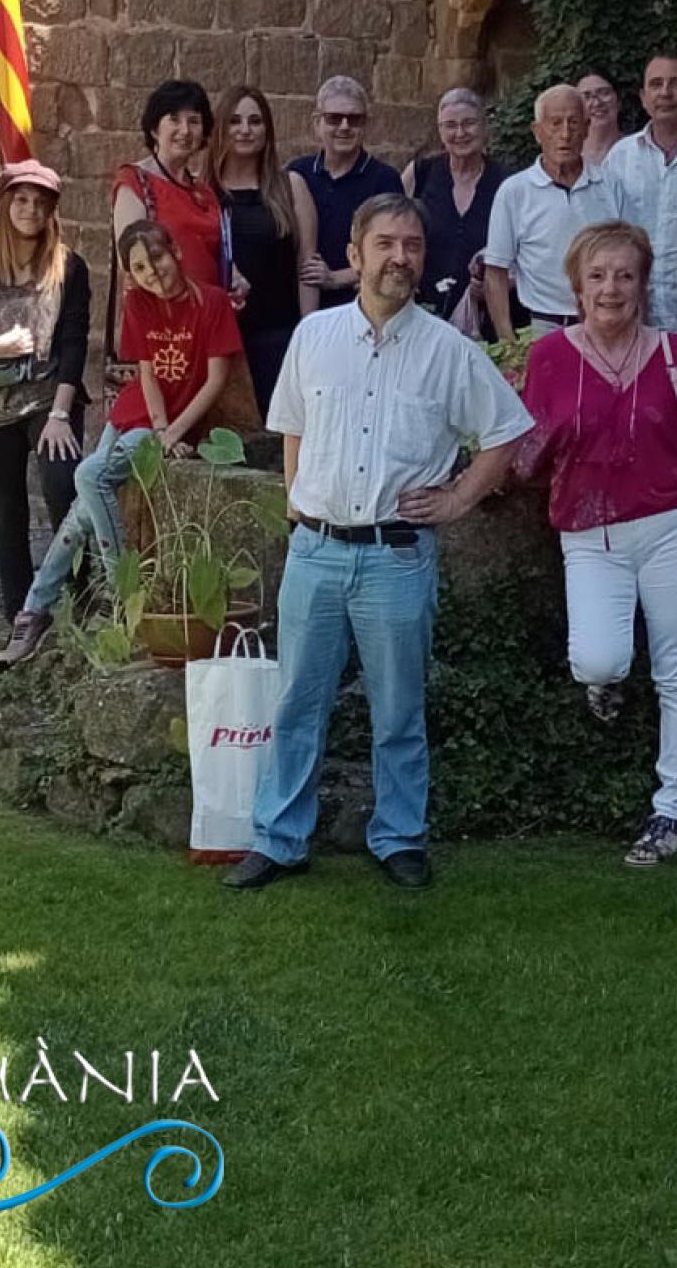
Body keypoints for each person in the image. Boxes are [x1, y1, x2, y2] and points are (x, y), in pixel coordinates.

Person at [229, 195, 532, 893]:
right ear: (356, 254)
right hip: (316, 551)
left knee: (398, 708)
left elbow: (507, 431)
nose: (401, 257)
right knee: (297, 704)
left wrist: (457, 498)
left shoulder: (449, 351)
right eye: (387, 243)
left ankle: (399, 836)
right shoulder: (314, 337)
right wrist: (298, 510)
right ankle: (279, 838)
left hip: (397, 559)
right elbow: (292, 430)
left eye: (414, 245)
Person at [518, 222, 677, 867]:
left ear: (642, 285)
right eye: (597, 276)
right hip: (590, 531)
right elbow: (528, 447)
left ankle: (671, 810)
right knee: (599, 660)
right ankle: (605, 681)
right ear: (577, 288)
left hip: (673, 521)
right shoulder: (550, 356)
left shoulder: (671, 354)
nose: (611, 288)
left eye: (624, 275)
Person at [0, 221, 242, 666]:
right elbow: (146, 373)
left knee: (89, 476)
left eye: (159, 259)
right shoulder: (138, 303)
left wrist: (172, 433)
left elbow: (217, 378)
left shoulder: (213, 303)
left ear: (176, 253)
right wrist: (161, 425)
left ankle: (120, 594)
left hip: (176, 421)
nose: (153, 274)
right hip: (136, 414)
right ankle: (36, 611)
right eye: (140, 268)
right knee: (81, 510)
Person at [0, 161, 91, 625]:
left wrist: (62, 414)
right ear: (6, 205)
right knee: (5, 518)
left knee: (62, 489)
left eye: (40, 202)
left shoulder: (70, 268)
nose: (30, 209)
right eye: (22, 200)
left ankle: (78, 606)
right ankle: (20, 621)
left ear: (51, 210)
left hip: (51, 400)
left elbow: (74, 342)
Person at [483, 84, 626, 338]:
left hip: (604, 324)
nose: (565, 134)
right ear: (538, 132)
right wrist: (509, 342)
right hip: (543, 325)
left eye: (573, 123)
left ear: (586, 128)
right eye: (555, 123)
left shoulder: (610, 184)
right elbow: (495, 271)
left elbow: (630, 259)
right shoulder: (515, 191)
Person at [213, 85, 317, 414]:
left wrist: (309, 336)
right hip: (218, 339)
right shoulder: (202, 190)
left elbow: (307, 268)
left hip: (278, 336)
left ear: (267, 130)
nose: (245, 130)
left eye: (255, 121)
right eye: (235, 121)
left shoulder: (291, 187)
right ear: (220, 128)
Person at [601, 53, 677, 332]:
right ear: (643, 95)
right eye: (656, 84)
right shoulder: (620, 157)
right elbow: (605, 235)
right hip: (633, 320)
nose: (665, 92)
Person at [288, 74, 405, 310]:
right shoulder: (297, 173)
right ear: (316, 122)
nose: (344, 126)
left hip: (358, 310)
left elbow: (393, 252)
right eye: (334, 118)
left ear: (365, 125)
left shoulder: (384, 180)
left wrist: (335, 278)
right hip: (295, 311)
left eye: (354, 119)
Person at [111, 78, 233, 294]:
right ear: (154, 129)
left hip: (208, 314)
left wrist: (237, 281)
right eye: (174, 120)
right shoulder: (135, 182)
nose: (185, 131)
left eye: (194, 121)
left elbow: (217, 255)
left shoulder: (205, 192)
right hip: (164, 317)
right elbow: (132, 261)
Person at [402, 87, 506, 332]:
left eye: (469, 123)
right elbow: (391, 228)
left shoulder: (507, 183)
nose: (460, 133)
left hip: (485, 318)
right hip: (423, 314)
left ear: (484, 127)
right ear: (440, 131)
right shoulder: (420, 174)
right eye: (450, 125)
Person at [577, 72, 622, 168]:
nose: (597, 103)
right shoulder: (568, 158)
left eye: (604, 93)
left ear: (618, 101)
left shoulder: (637, 150)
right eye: (586, 96)